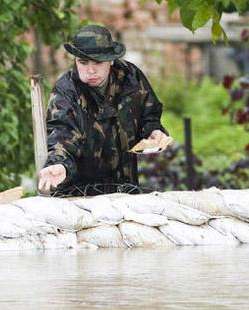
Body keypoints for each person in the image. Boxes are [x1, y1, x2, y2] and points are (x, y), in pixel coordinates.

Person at [38, 25, 169, 196]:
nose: (90, 70)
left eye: (98, 62)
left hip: (126, 189)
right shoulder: (67, 91)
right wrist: (59, 164)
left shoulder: (130, 77)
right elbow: (61, 134)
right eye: (83, 62)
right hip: (79, 195)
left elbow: (149, 114)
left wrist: (153, 131)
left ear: (111, 60)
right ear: (75, 60)